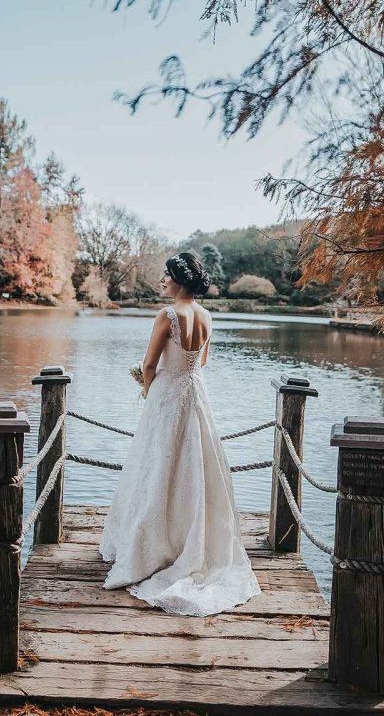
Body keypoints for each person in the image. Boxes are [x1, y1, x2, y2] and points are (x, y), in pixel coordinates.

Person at [100, 252, 262, 616]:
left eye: (167, 276)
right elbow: (201, 362)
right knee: (195, 467)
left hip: (167, 395)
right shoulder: (206, 316)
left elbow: (148, 364)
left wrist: (146, 389)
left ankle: (154, 543)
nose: (162, 281)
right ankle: (189, 539)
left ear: (180, 280)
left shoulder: (167, 315)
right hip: (195, 394)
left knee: (158, 465)